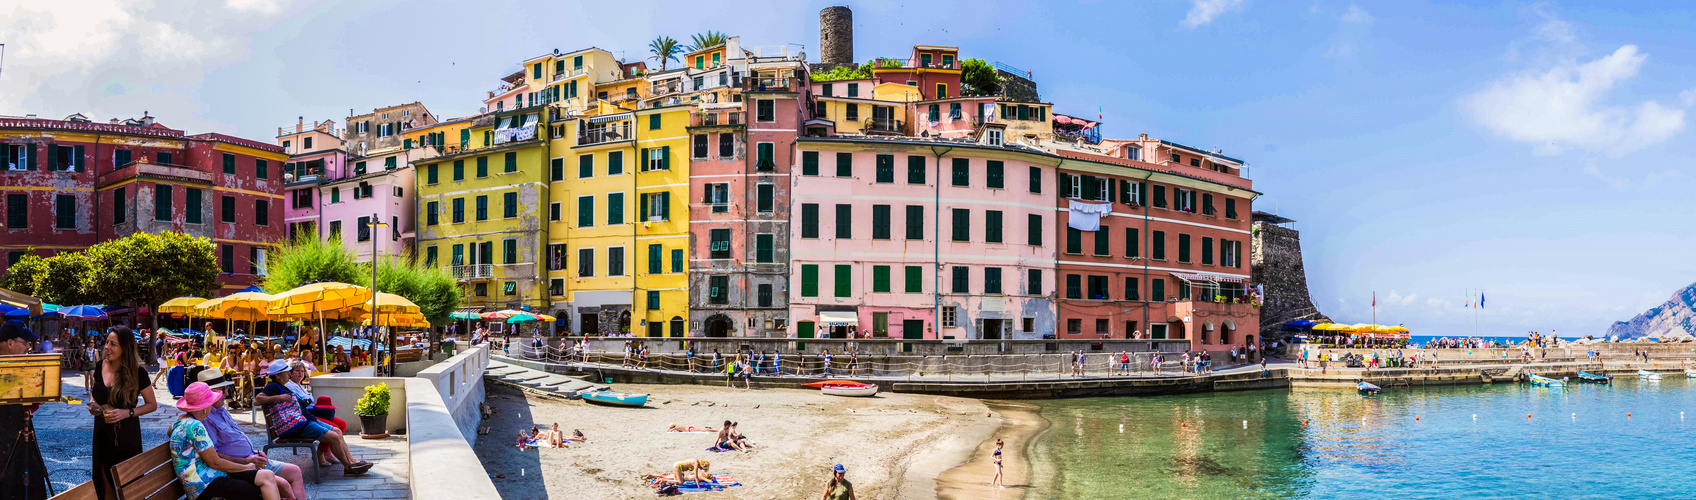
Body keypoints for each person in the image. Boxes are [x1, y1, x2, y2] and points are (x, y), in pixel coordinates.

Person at [193, 369, 306, 500]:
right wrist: (247, 461)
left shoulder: (220, 409)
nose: (227, 393)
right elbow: (214, 455)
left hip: (252, 458)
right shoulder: (205, 417)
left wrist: (254, 452)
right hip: (239, 466)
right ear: (211, 393)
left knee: (295, 471)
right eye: (223, 389)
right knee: (283, 484)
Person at [255, 360, 373, 476]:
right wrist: (278, 397)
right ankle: (348, 467)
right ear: (278, 375)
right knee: (334, 437)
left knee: (337, 431)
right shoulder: (273, 387)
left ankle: (353, 461)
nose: (289, 374)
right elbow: (257, 400)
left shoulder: (282, 385)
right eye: (287, 372)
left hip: (305, 421)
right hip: (298, 426)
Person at [170, 382, 282, 500]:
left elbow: (171, 430)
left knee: (260, 481)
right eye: (210, 404)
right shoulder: (196, 427)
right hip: (202, 485)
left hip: (206, 478)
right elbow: (216, 462)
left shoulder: (183, 422)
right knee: (254, 490)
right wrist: (246, 467)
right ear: (204, 408)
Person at [90, 326, 159, 500]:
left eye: (113, 344)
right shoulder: (100, 366)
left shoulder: (138, 373)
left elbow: (152, 405)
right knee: (105, 488)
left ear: (125, 348)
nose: (107, 347)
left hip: (126, 438)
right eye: (106, 342)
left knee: (129, 490)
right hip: (102, 435)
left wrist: (127, 412)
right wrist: (95, 407)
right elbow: (95, 394)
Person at [1, 320, 49, 500]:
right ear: (10, 343)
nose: (29, 347)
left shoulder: (22, 365)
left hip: (23, 434)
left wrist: (37, 399)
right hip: (3, 440)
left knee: (32, 481)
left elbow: (28, 403)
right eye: (25, 343)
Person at [645, 458, 711, 486]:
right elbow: (696, 476)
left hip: (678, 465)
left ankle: (651, 475)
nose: (701, 469)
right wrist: (699, 486)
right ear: (702, 465)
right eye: (702, 468)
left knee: (670, 477)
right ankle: (663, 480)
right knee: (680, 482)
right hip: (678, 467)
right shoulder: (696, 464)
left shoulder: (696, 460)